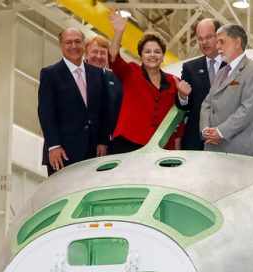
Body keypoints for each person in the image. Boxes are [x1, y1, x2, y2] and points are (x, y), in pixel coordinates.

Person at [108, 11, 190, 153]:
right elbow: (113, 58)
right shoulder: (131, 72)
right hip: (128, 143)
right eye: (148, 52)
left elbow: (178, 116)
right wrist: (118, 32)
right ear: (141, 55)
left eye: (157, 52)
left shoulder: (173, 81)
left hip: (161, 147)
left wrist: (183, 96)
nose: (152, 55)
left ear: (163, 56)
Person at [38, 28, 109, 175]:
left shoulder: (97, 74)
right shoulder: (50, 74)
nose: (74, 46)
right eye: (68, 42)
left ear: (84, 44)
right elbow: (46, 113)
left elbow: (103, 111)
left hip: (94, 152)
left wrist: (103, 141)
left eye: (77, 41)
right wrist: (54, 146)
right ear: (61, 45)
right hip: (63, 153)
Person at [199, 24, 253, 156]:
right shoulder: (222, 71)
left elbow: (247, 109)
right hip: (213, 145)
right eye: (217, 42)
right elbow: (207, 103)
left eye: (221, 42)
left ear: (237, 42)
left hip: (239, 149)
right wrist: (206, 130)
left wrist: (221, 132)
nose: (217, 47)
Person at [176, 18, 225, 150]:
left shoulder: (234, 65)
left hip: (226, 139)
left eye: (209, 37)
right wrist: (182, 96)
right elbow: (183, 106)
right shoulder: (189, 68)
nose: (204, 42)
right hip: (196, 141)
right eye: (200, 38)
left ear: (220, 36)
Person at [85, 35, 122, 146]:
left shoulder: (117, 80)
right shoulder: (74, 76)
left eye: (103, 53)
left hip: (105, 146)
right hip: (76, 144)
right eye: (95, 52)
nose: (99, 56)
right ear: (86, 54)